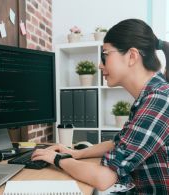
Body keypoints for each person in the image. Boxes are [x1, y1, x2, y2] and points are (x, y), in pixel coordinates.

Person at [32, 19, 169, 194]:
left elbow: (103, 178)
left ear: (132, 56)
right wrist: (75, 153)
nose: (99, 64)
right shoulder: (150, 96)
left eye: (105, 54)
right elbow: (117, 144)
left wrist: (58, 159)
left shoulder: (159, 99)